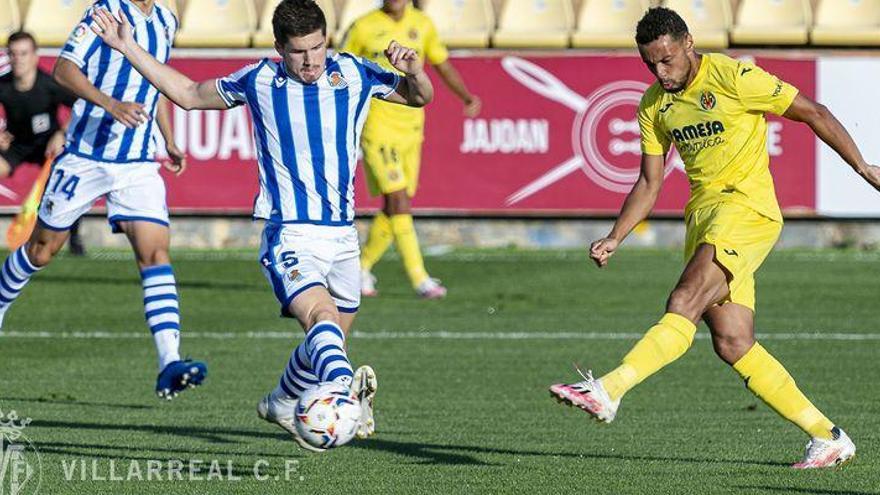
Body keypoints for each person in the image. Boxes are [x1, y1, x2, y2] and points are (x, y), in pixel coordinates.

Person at [88, 0, 433, 450]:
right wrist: (127, 46)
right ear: (278, 48)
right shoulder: (260, 80)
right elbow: (189, 94)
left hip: (344, 235)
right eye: (298, 53)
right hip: (290, 233)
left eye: (317, 48)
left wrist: (415, 72)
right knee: (321, 319)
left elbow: (419, 97)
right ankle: (343, 391)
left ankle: (282, 401)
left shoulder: (354, 72)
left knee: (328, 339)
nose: (310, 62)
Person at [549, 7, 880, 469]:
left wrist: (863, 167)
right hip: (704, 218)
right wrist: (616, 235)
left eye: (666, 60)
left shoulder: (733, 77)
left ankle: (608, 389)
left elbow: (813, 111)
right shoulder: (653, 105)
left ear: (688, 43)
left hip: (746, 210)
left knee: (684, 299)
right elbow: (649, 182)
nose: (660, 72)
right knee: (732, 341)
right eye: (650, 64)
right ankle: (829, 437)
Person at [0, 0, 207, 400]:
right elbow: (63, 69)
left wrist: (168, 139)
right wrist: (110, 104)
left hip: (138, 162)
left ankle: (169, 362)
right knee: (41, 252)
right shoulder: (104, 11)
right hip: (85, 156)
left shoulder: (166, 20)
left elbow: (158, 82)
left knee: (155, 253)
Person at [341, 0, 480, 299]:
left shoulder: (423, 24)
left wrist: (466, 97)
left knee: (394, 208)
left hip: (412, 129)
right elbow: (340, 69)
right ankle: (420, 278)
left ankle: (361, 267)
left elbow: (441, 64)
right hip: (377, 126)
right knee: (399, 200)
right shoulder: (363, 26)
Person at [0, 31, 85, 255]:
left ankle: (74, 239)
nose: (18, 59)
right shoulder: (4, 85)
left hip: (49, 146)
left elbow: (81, 108)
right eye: (14, 54)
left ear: (35, 56)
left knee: (65, 185)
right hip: (17, 145)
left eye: (24, 53)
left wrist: (62, 134)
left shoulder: (49, 84)